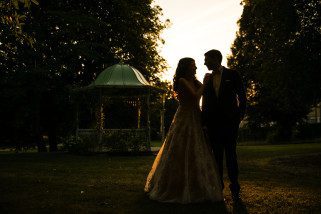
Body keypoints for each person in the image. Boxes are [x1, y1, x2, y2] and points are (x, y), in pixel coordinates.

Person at [144, 57, 223, 203]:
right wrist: (205, 84)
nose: (196, 69)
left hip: (196, 116)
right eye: (193, 66)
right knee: (181, 148)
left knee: (197, 149)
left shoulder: (194, 80)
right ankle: (174, 186)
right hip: (185, 116)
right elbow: (195, 97)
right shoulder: (182, 81)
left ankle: (198, 186)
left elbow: (206, 91)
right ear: (186, 67)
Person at [202, 49, 246, 202]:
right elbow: (206, 101)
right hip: (213, 125)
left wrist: (239, 116)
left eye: (206, 59)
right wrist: (204, 122)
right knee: (217, 158)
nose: (204, 63)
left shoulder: (233, 74)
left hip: (230, 124)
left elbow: (242, 96)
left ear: (215, 59)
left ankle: (235, 188)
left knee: (231, 156)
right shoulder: (207, 77)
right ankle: (218, 189)